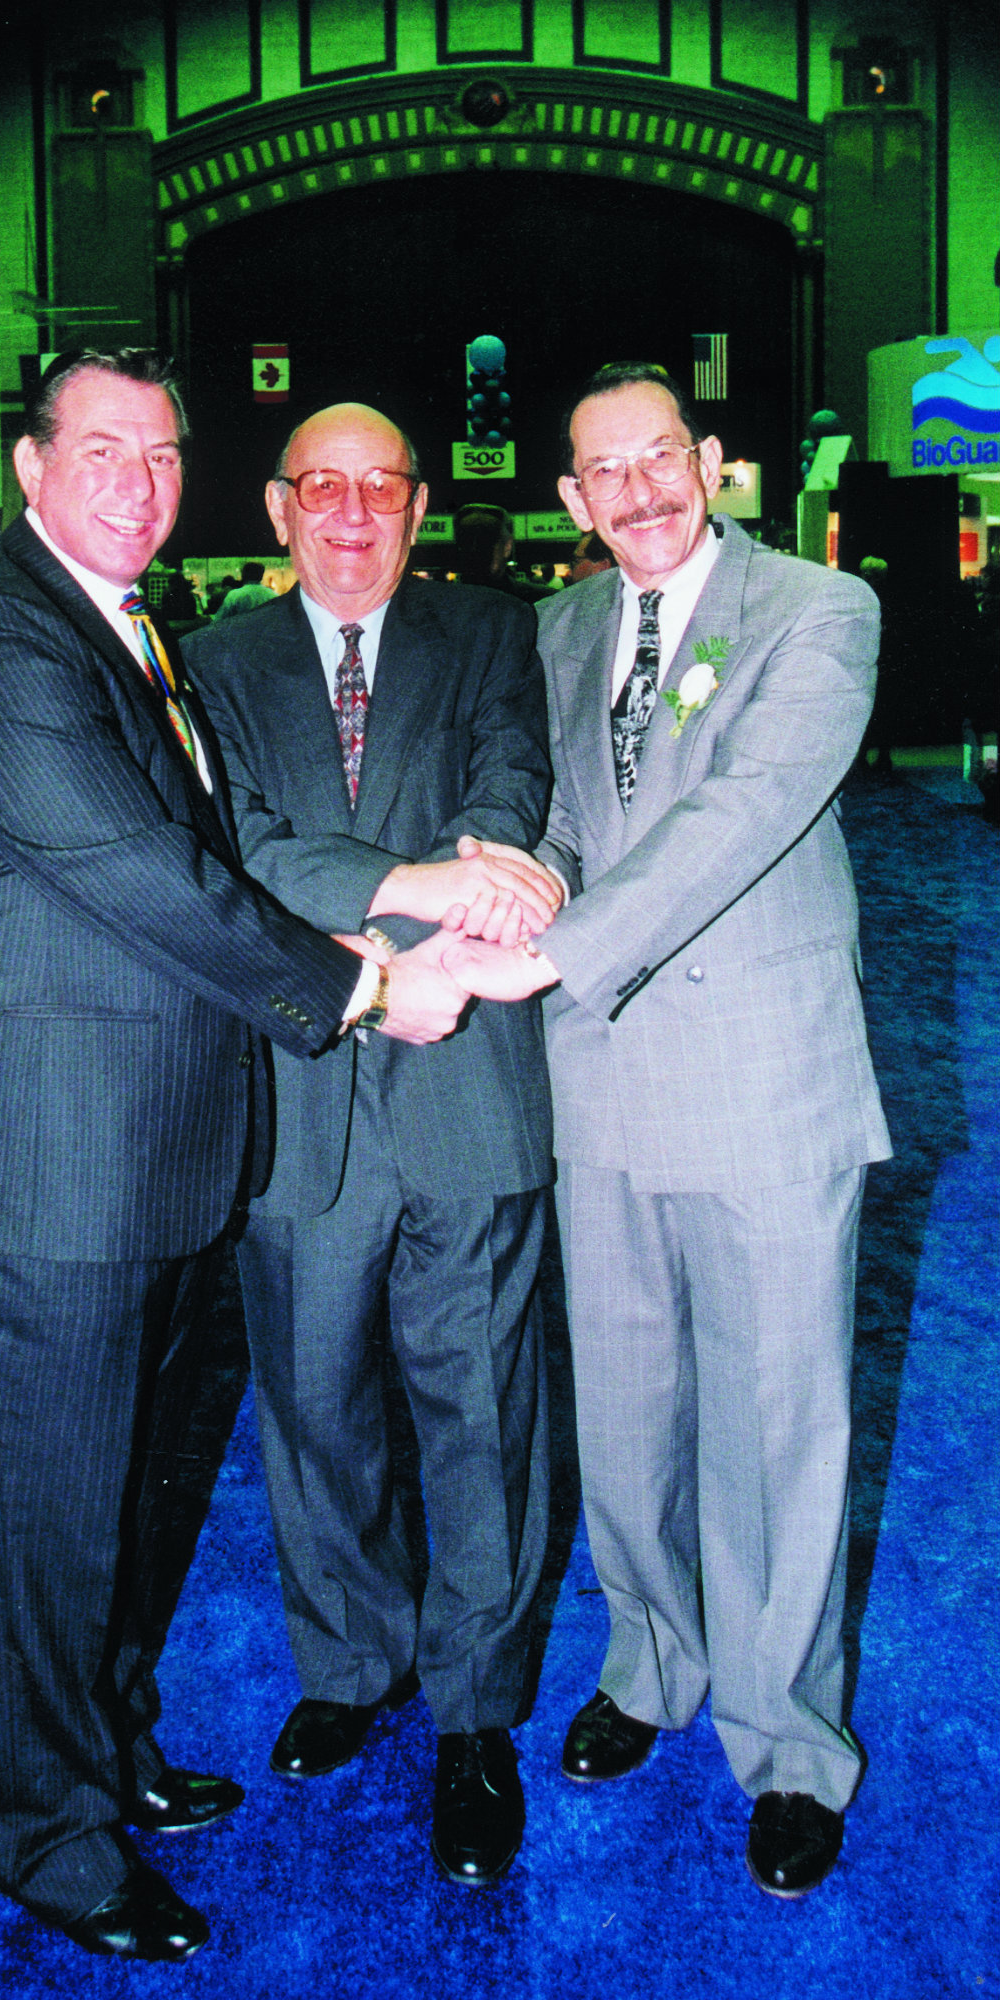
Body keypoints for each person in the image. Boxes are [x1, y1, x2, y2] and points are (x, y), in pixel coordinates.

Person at [0, 352, 470, 1963]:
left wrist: (363, 914)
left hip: (156, 1162)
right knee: (49, 1525)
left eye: (161, 452)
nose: (138, 479)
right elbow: (150, 879)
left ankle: (111, 1748)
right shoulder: (10, 649)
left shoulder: (124, 629)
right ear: (28, 466)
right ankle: (46, 1837)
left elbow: (205, 860)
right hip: (41, 1179)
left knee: (129, 1505)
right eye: (102, 449)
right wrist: (363, 983)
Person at [441, 362, 891, 1899]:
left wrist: (548, 951)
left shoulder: (819, 614)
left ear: (715, 462)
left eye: (661, 458)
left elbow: (742, 812)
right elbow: (571, 826)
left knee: (778, 1431)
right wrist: (498, 887)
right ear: (568, 499)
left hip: (767, 1080)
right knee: (627, 1412)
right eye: (601, 472)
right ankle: (649, 1665)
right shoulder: (562, 630)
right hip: (602, 1083)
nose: (636, 490)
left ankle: (788, 1743)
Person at [186, 402, 563, 1887]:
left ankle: (475, 1715)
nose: (351, 515)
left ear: (417, 508)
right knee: (314, 1403)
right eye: (321, 490)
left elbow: (509, 799)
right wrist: (421, 885)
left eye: (380, 489)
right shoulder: (211, 665)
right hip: (303, 1093)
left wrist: (456, 882)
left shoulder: (489, 637)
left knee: (484, 1412)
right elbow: (243, 848)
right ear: (278, 510)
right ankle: (351, 1668)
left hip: (472, 1082)